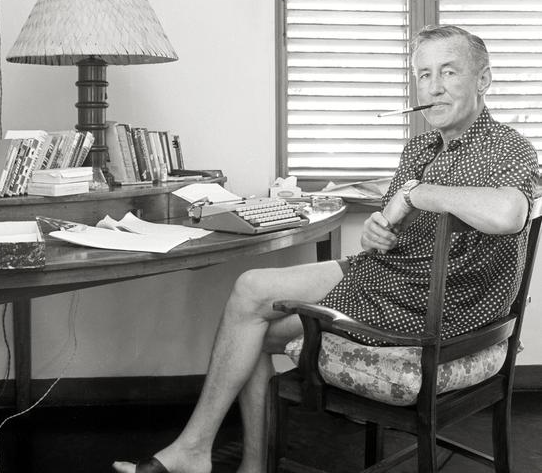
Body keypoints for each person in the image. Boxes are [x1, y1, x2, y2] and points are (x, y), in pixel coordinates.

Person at [113, 25, 539, 473]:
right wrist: (378, 230)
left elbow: (510, 214)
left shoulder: (507, 147)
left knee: (250, 327)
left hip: (431, 309)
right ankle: (210, 455)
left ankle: (209, 455)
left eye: (449, 73)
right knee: (250, 289)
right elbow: (396, 227)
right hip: (387, 278)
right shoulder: (419, 147)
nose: (433, 87)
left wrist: (417, 193)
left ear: (483, 80)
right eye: (423, 74)